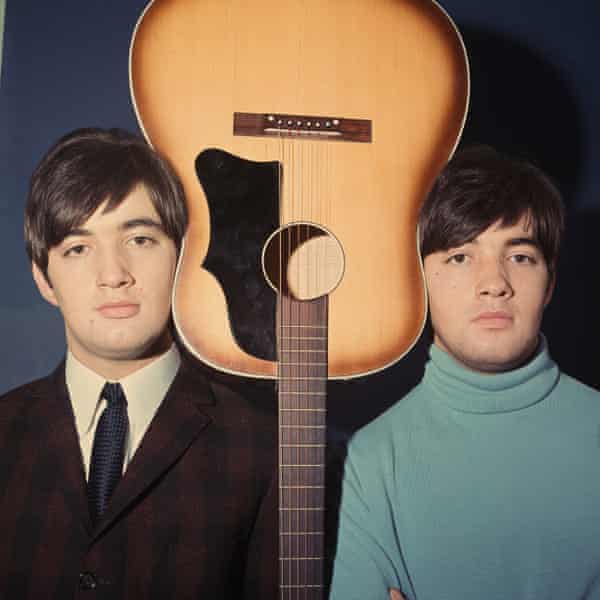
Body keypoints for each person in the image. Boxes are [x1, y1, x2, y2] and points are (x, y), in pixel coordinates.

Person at [0, 128, 277, 599]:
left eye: (141, 240)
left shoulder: (266, 451)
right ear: (44, 279)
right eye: (78, 248)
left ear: (182, 255)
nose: (113, 275)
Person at [329, 146, 600, 599]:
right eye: (460, 257)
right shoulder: (374, 457)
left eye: (520, 257)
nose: (493, 282)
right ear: (418, 280)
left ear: (550, 282)